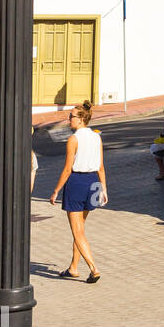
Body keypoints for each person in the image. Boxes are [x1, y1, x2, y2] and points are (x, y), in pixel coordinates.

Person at [50, 101, 107, 282]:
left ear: (81, 119)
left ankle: (93, 268)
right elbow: (101, 166)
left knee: (77, 232)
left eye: (72, 116)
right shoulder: (97, 137)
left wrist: (56, 190)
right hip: (93, 183)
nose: (69, 120)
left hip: (76, 183)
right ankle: (73, 267)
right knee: (80, 229)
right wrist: (104, 189)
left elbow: (67, 169)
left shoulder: (73, 139)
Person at [0, 129, 38, 229]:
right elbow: (30, 186)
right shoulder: (32, 156)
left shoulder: (8, 155)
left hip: (7, 201)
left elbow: (0, 185)